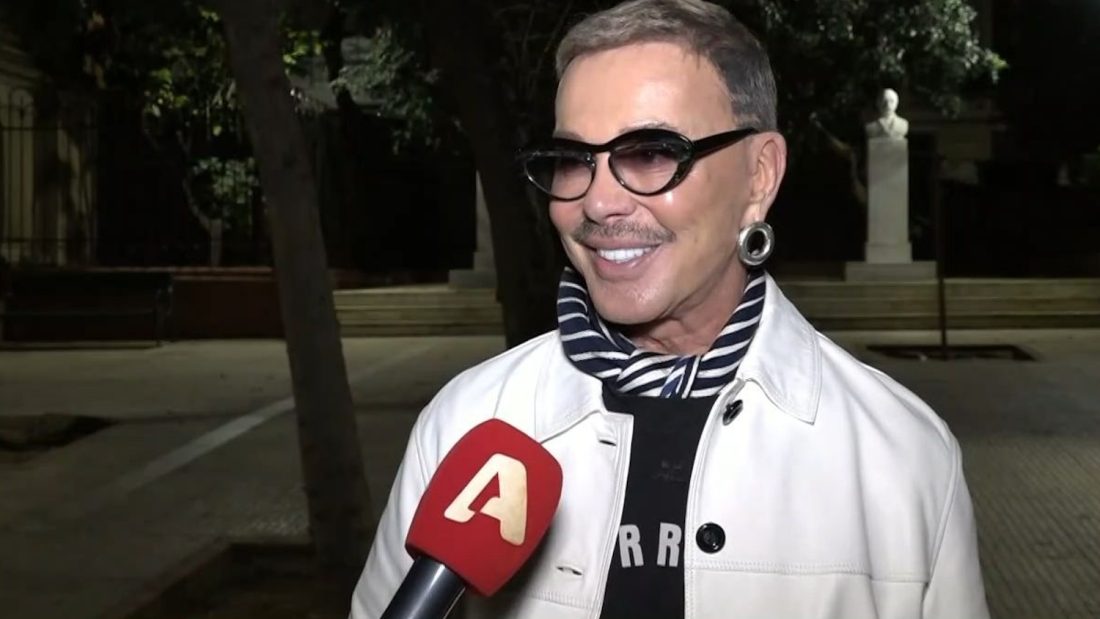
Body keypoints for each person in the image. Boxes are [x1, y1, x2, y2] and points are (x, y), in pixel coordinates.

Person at [349, 1, 989, 617]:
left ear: (759, 175)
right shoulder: (467, 424)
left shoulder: (901, 455)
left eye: (652, 153)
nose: (598, 203)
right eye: (573, 161)